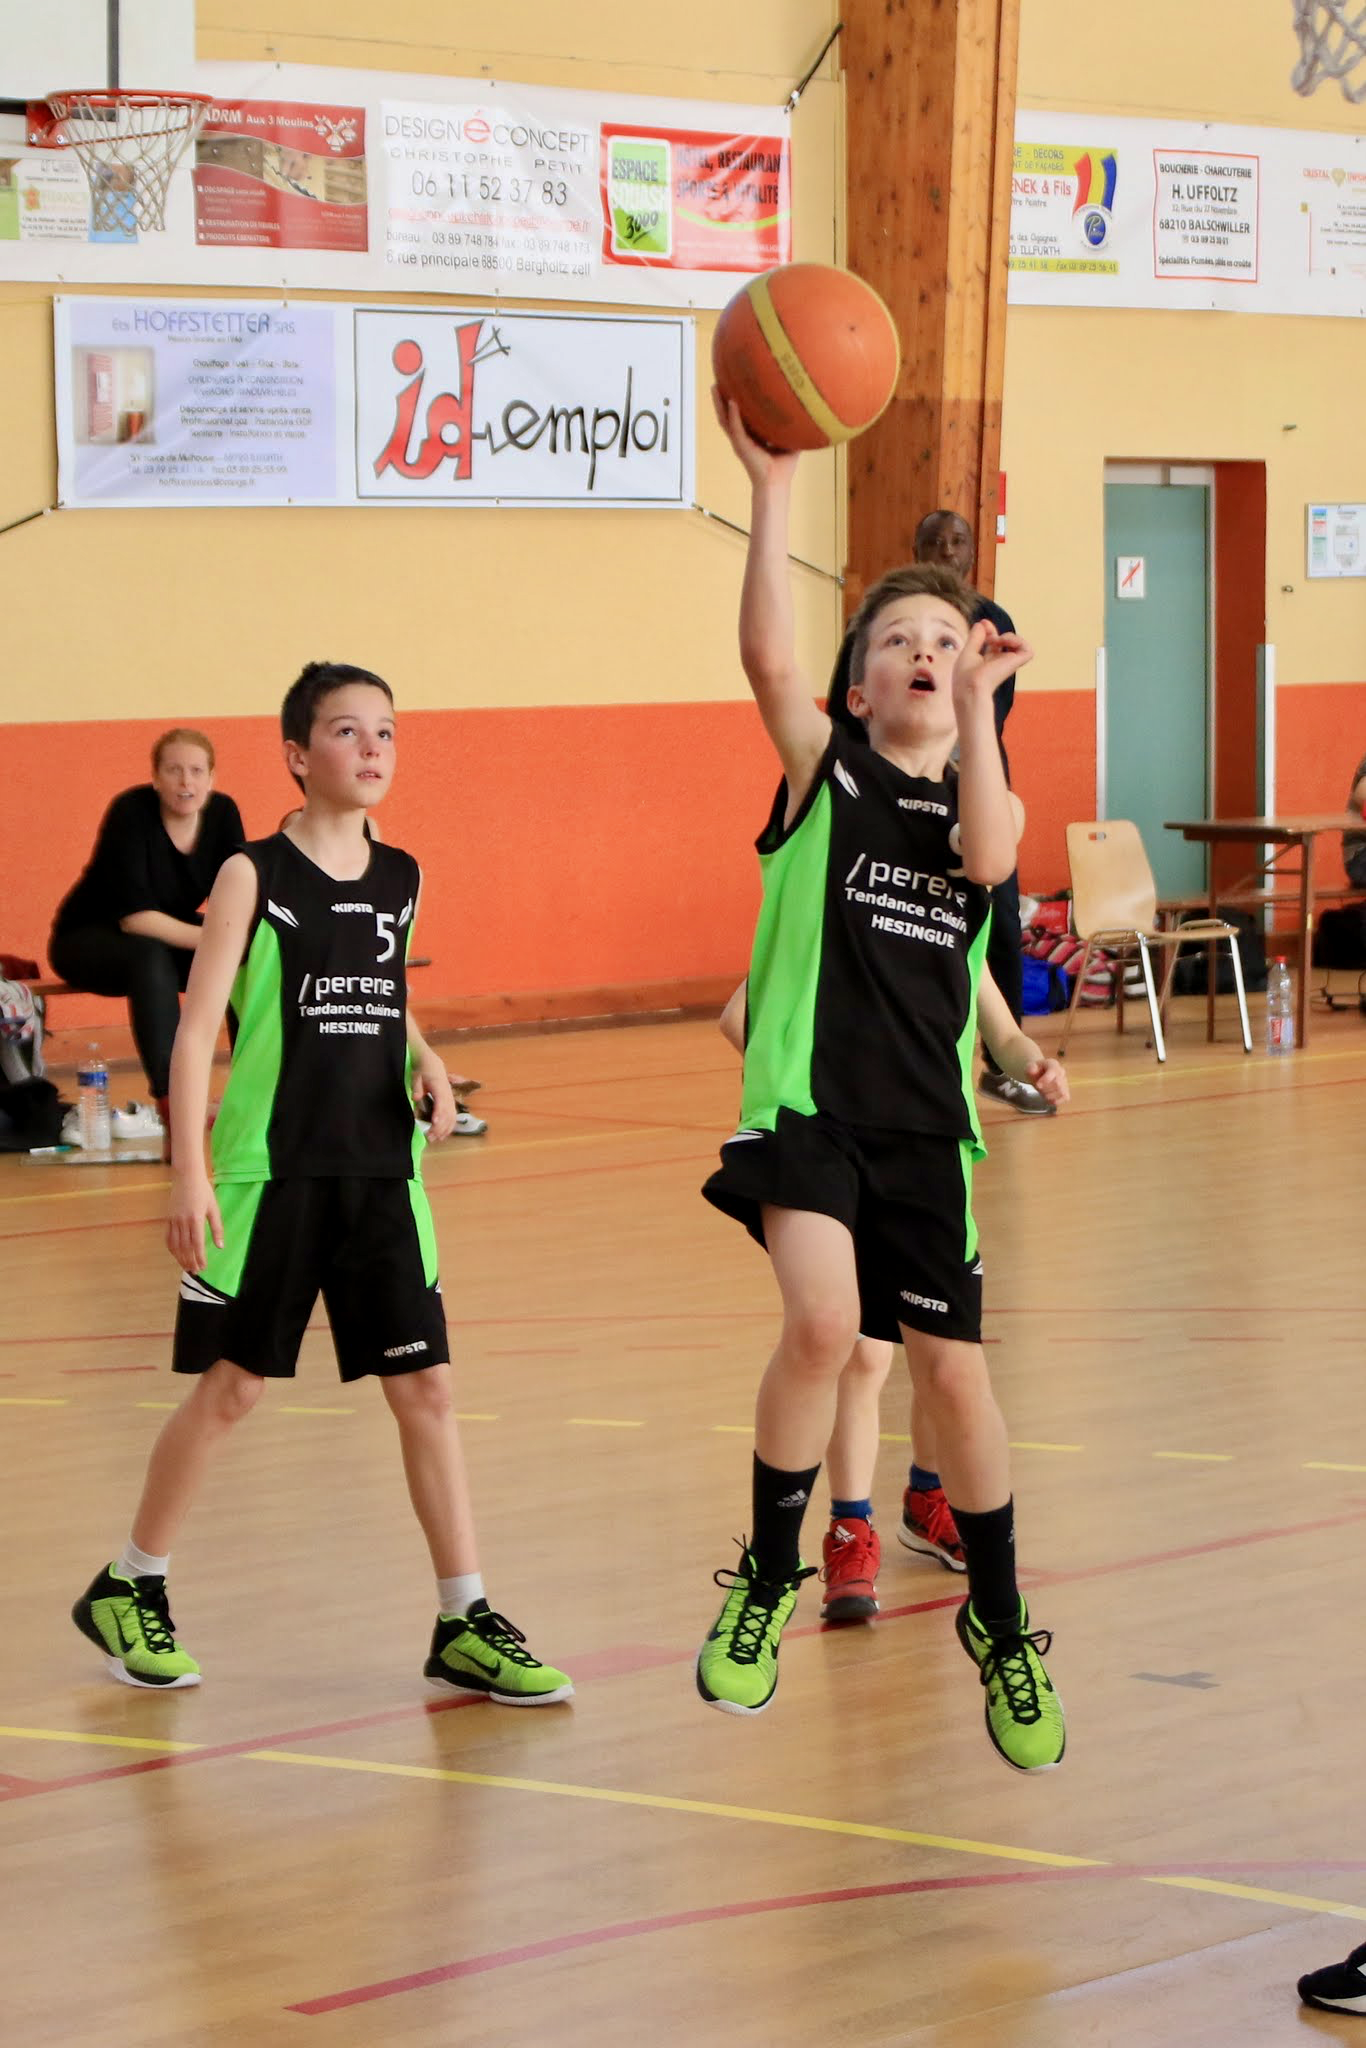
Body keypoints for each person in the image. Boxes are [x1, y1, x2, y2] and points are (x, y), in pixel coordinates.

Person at [70, 661, 572, 1707]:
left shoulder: (404, 875)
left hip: (384, 1167)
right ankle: (131, 1583)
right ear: (298, 755)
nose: (372, 747)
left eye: (385, 730)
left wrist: (426, 1055)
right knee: (233, 1387)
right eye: (347, 730)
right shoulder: (251, 874)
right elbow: (198, 1029)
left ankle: (465, 1616)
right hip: (272, 1169)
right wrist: (189, 1170)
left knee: (427, 1387)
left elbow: (379, 988)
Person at [695, 393, 1065, 1774]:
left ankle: (1003, 1620)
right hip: (808, 1108)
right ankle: (767, 1572)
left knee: (953, 1378)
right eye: (895, 641)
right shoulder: (825, 774)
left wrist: (977, 709)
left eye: (943, 641)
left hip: (925, 1131)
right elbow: (763, 654)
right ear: (855, 689)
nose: (920, 651)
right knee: (821, 1323)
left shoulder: (980, 803)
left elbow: (987, 866)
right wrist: (771, 489)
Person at [718, 972, 1068, 1620]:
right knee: (861, 1352)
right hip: (842, 1153)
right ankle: (850, 1525)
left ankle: (928, 1496)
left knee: (944, 1357)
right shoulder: (836, 921)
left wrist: (1032, 1064)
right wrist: (803, 1083)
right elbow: (738, 1014)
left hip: (930, 1161)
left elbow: (1005, 1034)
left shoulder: (958, 930)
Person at [828, 511, 1050, 1117]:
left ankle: (1001, 1061)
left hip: (967, 783)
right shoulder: (873, 626)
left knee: (992, 923)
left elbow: (985, 713)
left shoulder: (992, 623)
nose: (948, 550)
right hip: (842, 1095)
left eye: (958, 541)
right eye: (935, 541)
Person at [50, 729, 244, 1155]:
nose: (186, 782)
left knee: (246, 958)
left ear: (212, 778)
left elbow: (238, 896)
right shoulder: (131, 812)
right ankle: (175, 1106)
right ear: (155, 778)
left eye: (196, 771)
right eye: (174, 770)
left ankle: (255, 1091)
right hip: (89, 936)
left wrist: (237, 942)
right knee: (152, 956)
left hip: (165, 934)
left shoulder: (223, 814)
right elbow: (135, 919)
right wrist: (218, 941)